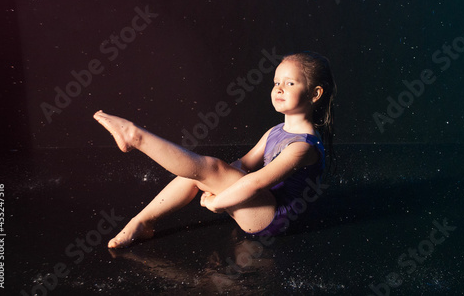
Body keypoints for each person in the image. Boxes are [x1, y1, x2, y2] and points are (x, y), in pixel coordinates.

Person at [93, 51, 336, 248]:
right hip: (260, 203)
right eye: (276, 82)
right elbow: (244, 165)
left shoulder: (304, 146)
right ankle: (142, 223)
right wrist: (210, 177)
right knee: (196, 172)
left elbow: (255, 183)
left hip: (275, 219)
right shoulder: (275, 131)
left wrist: (217, 202)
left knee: (209, 168)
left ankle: (136, 136)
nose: (279, 88)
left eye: (290, 83)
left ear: (315, 94)